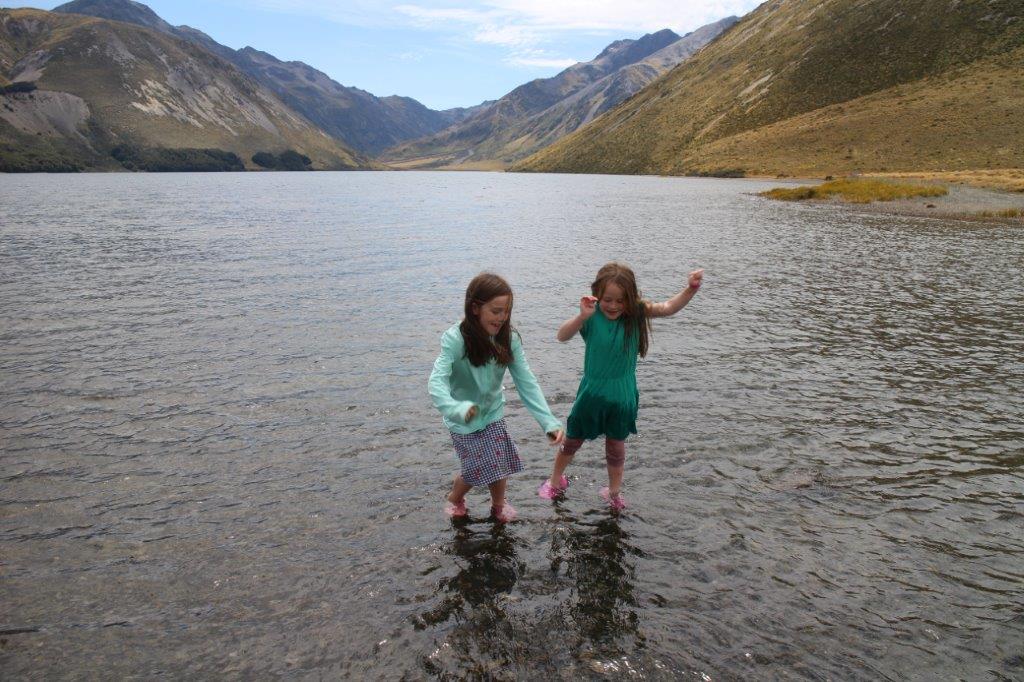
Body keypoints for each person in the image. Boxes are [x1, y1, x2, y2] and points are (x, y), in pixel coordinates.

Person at [539, 262, 703, 510]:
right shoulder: (591, 316)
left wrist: (690, 289)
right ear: (597, 295)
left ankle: (614, 492)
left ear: (630, 298)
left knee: (616, 447)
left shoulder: (635, 312)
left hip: (622, 394)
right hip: (592, 394)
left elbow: (668, 307)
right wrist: (581, 316)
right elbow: (561, 336)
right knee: (572, 440)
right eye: (608, 300)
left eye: (620, 300)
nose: (614, 306)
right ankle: (555, 480)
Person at [429, 273, 565, 522]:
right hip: (463, 419)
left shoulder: (508, 339)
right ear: (475, 308)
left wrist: (548, 421)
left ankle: (498, 505)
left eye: (506, 311)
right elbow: (436, 383)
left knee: (498, 460)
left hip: (492, 412)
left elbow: (526, 382)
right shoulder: (455, 340)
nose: (502, 317)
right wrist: (455, 409)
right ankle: (455, 498)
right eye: (496, 311)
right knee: (475, 467)